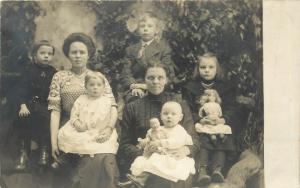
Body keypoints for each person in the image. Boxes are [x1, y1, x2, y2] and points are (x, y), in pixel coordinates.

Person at [48, 33, 118, 188]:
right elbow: (55, 111)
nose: (78, 56)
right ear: (68, 54)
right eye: (74, 52)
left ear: (88, 55)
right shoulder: (59, 77)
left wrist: (109, 128)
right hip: (69, 124)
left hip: (98, 126)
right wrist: (53, 143)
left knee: (100, 157)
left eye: (82, 52)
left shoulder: (97, 78)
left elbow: (112, 106)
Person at [119, 63, 199, 188]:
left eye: (160, 77)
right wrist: (144, 154)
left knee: (175, 179)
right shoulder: (132, 107)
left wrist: (185, 150)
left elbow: (194, 139)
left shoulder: (179, 104)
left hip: (175, 160)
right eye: (150, 78)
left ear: (166, 80)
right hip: (146, 163)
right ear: (144, 80)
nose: (155, 82)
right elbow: (125, 143)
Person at [181, 52, 239, 186]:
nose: (207, 70)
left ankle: (217, 170)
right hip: (202, 124)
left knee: (223, 138)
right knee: (202, 140)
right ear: (198, 69)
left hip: (220, 124)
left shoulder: (227, 87)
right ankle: (202, 171)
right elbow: (187, 109)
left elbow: (232, 108)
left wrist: (224, 119)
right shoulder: (190, 87)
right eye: (203, 67)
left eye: (211, 67)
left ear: (217, 69)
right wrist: (199, 119)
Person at [50, 71, 118, 169]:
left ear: (104, 87)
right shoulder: (81, 99)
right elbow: (74, 114)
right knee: (73, 139)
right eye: (91, 85)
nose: (95, 87)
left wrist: (108, 128)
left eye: (99, 85)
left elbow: (111, 115)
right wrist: (77, 123)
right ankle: (63, 159)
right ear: (85, 87)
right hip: (81, 128)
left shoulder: (106, 101)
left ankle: (82, 164)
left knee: (95, 144)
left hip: (98, 130)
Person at [127, 102, 195, 188]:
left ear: (180, 117)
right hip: (159, 154)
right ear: (161, 116)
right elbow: (150, 138)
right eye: (165, 113)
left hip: (173, 156)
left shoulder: (179, 130)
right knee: (144, 162)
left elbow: (177, 141)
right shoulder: (158, 129)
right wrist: (146, 143)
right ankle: (138, 181)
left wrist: (160, 143)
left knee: (156, 161)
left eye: (173, 114)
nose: (169, 116)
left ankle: (141, 180)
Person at [14, 40, 57, 170]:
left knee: (46, 120)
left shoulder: (53, 72)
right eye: (42, 53)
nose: (46, 56)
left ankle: (44, 150)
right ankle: (24, 152)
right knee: (23, 120)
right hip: (29, 104)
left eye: (49, 54)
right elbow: (21, 89)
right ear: (34, 54)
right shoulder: (28, 70)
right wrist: (22, 105)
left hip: (45, 105)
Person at [120, 12, 176, 103]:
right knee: (134, 101)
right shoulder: (130, 50)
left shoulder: (163, 49)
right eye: (142, 26)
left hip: (156, 86)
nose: (145, 29)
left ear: (156, 30)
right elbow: (126, 73)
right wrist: (134, 86)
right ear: (138, 30)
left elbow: (169, 74)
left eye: (150, 26)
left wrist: (146, 86)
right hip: (135, 88)